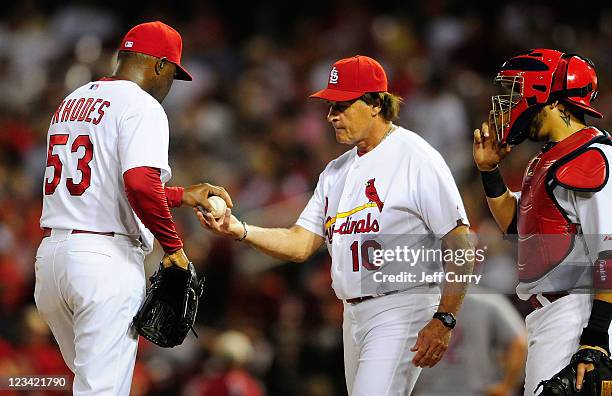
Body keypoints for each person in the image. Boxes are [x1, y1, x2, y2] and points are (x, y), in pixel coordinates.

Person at [197, 55, 475, 395]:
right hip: (353, 315)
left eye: (341, 105)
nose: (331, 115)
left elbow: (460, 240)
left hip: (402, 306)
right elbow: (300, 243)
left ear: (375, 104)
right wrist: (240, 230)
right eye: (330, 107)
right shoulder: (335, 171)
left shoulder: (415, 156)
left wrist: (445, 317)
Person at [34, 21, 232, 395]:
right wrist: (174, 249)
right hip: (103, 264)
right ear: (160, 65)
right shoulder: (143, 105)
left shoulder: (72, 101)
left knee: (89, 384)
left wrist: (181, 195)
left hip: (53, 262)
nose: (171, 84)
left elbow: (114, 186)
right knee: (103, 390)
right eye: (173, 73)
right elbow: (139, 183)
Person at [473, 48, 612, 394]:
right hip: (552, 313)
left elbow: (608, 252)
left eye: (517, 91)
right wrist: (490, 172)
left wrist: (595, 337)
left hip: (577, 314)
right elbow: (516, 229)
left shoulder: (593, 156)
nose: (510, 102)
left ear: (543, 93)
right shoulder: (547, 159)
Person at [414, 289, 527, 396]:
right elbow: (519, 344)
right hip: (476, 390)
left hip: (427, 389)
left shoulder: (419, 301)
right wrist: (505, 387)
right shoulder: (489, 300)